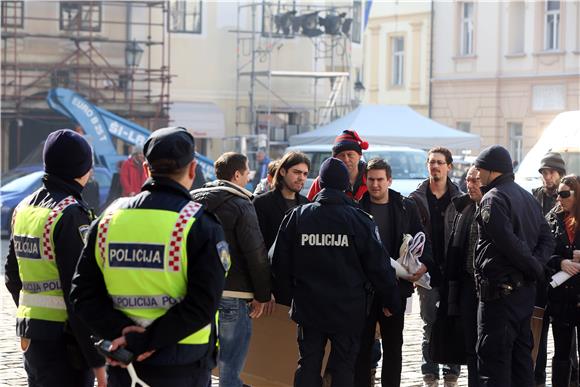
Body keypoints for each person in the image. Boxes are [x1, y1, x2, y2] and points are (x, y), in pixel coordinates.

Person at [71, 127, 228, 387]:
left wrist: (123, 336)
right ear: (192, 169)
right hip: (183, 364)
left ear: (146, 169)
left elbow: (82, 294)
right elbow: (203, 303)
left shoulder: (108, 219)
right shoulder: (199, 224)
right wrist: (146, 340)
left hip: (125, 362)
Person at [270, 157, 401, 387]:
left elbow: (279, 263)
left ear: (319, 183)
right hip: (348, 309)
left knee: (308, 364)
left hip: (309, 307)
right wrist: (391, 300)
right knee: (343, 368)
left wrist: (287, 296)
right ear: (346, 185)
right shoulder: (359, 220)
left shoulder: (298, 217)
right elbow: (379, 266)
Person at [4, 129, 106, 387]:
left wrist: (32, 318)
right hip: (66, 343)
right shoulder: (69, 214)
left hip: (32, 336)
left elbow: (12, 276)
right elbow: (78, 293)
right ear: (80, 169)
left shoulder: (24, 208)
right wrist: (96, 360)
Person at [474, 145, 554, 386]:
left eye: (480, 169)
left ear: (492, 170)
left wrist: (535, 267)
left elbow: (508, 244)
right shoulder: (527, 197)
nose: (477, 175)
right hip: (523, 296)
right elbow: (546, 239)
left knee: (495, 365)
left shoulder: (493, 199)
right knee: (521, 365)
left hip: (500, 299)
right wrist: (536, 265)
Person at [191, 152, 272, 387]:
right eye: (246, 173)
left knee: (200, 359)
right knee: (231, 367)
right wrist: (262, 295)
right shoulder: (241, 204)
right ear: (237, 174)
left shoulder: (191, 200)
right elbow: (255, 252)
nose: (248, 178)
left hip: (198, 292)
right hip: (234, 295)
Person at [354, 158, 432, 387]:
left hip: (397, 288)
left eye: (380, 179)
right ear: (365, 181)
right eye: (371, 180)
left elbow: (423, 239)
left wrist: (424, 264)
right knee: (362, 348)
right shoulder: (357, 209)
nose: (375, 184)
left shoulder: (405, 206)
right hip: (365, 291)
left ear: (389, 180)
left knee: (393, 347)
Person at [408, 147, 462, 387]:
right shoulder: (415, 199)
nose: (435, 166)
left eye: (440, 162)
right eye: (431, 162)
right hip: (426, 271)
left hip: (453, 270)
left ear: (449, 166)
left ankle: (452, 370)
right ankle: (429, 370)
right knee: (429, 320)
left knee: (453, 317)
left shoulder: (460, 199)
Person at [531, 151, 569, 387]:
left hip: (566, 278)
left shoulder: (571, 198)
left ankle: (570, 378)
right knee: (537, 335)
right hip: (541, 276)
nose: (547, 176)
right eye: (544, 172)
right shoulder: (534, 198)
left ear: (561, 174)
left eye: (551, 172)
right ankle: (537, 380)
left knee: (566, 340)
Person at [444, 165, 483, 387]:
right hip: (467, 284)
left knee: (487, 347)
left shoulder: (494, 207)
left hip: (490, 286)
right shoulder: (464, 209)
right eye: (468, 180)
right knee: (470, 346)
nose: (470, 185)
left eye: (475, 180)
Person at [545, 175, 580, 387]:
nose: (559, 198)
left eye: (565, 194)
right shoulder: (553, 219)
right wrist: (560, 262)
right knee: (561, 354)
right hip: (560, 297)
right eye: (558, 193)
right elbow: (541, 252)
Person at [253, 152, 310, 251]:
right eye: (296, 172)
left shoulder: (306, 204)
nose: (301, 178)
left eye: (305, 174)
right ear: (283, 172)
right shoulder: (261, 203)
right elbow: (255, 244)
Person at [307, 130, 369, 202]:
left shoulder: (371, 178)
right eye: (342, 155)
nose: (346, 159)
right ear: (335, 158)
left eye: (350, 155)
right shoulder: (324, 179)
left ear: (359, 155)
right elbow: (310, 205)